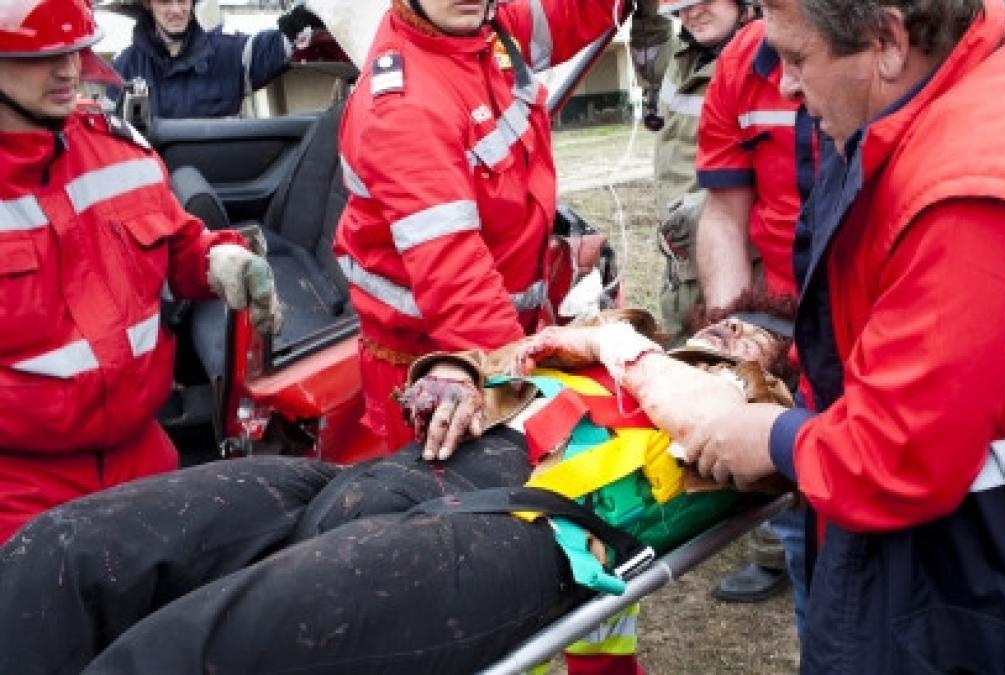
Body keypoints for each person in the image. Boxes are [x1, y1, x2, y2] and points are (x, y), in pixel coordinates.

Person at [585, 0, 1005, 671]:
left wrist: (763, 436)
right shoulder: (973, 66)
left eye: (798, 59)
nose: (785, 87)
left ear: (888, 39)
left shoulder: (978, 193)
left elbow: (900, 455)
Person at [0, 311, 795, 673]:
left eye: (755, 340)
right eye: (731, 322)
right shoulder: (597, 345)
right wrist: (451, 376)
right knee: (66, 552)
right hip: (391, 472)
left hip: (518, 527)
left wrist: (616, 342)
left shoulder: (757, 415)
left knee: (204, 649)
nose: (733, 333)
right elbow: (486, 354)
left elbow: (725, 439)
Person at [0, 0, 282, 543]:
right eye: (43, 57)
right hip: (20, 493)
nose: (71, 70)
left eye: (76, 50)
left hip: (144, 460)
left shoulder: (120, 152)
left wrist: (213, 260)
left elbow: (174, 244)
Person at [333, 0, 625, 453]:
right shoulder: (405, 108)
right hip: (441, 371)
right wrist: (531, 402)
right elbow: (459, 287)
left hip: (501, 334)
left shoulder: (483, 28)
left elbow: (571, 13)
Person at [692, 18, 817, 610]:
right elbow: (724, 212)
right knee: (801, 529)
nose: (791, 84)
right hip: (788, 317)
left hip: (880, 315)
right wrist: (730, 335)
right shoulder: (741, 64)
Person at [631, 0, 757, 342]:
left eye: (706, 1)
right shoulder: (682, 58)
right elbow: (649, 58)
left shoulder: (762, 61)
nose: (693, 12)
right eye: (682, 5)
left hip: (739, 257)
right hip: (683, 261)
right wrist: (644, 11)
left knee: (736, 363)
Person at [107, 0, 325, 118]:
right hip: (159, 192)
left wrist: (302, 23)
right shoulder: (124, 68)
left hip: (222, 186)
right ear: (147, 4)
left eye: (182, 0)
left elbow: (275, 48)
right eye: (165, 1)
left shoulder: (229, 54)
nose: (176, 9)